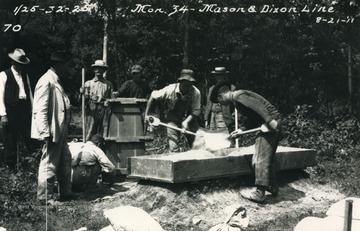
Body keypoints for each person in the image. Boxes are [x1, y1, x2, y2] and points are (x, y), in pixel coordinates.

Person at [210, 82, 281, 203]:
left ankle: (260, 193)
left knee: (259, 159)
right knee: (269, 159)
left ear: (221, 96)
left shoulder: (238, 96)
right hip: (272, 122)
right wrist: (241, 130)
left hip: (270, 124)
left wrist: (269, 121)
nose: (221, 105)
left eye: (219, 102)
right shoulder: (238, 100)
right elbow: (254, 118)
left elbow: (259, 107)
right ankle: (273, 187)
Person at [31, 51, 74, 203]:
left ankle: (65, 192)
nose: (68, 68)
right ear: (57, 65)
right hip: (52, 130)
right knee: (49, 163)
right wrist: (44, 132)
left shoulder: (56, 81)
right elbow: (40, 108)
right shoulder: (46, 81)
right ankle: (44, 197)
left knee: (65, 159)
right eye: (66, 65)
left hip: (60, 130)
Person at [145, 69, 201, 152]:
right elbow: (153, 95)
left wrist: (186, 122)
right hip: (173, 117)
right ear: (180, 82)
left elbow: (196, 110)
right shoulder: (170, 89)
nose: (187, 88)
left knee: (196, 145)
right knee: (173, 146)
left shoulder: (196, 92)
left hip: (190, 118)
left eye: (189, 86)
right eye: (184, 85)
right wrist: (146, 114)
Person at [0, 48, 35, 170]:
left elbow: (29, 92)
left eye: (22, 64)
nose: (20, 66)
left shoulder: (25, 75)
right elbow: (1, 95)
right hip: (11, 110)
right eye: (18, 64)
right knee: (11, 140)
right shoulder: (4, 75)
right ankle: (11, 168)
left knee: (29, 137)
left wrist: (33, 110)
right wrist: (3, 115)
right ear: (13, 62)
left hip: (24, 109)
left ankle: (33, 164)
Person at [80, 60, 113, 141]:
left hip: (104, 109)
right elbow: (82, 100)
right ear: (94, 70)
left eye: (101, 68)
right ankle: (87, 148)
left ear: (104, 70)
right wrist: (82, 93)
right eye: (97, 68)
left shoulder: (108, 84)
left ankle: (102, 149)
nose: (98, 70)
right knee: (89, 131)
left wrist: (108, 101)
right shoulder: (88, 83)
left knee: (103, 131)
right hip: (92, 109)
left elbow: (112, 99)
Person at [204, 67, 236, 132]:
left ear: (225, 76)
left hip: (223, 115)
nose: (218, 77)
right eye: (216, 75)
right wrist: (206, 119)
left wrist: (233, 117)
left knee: (222, 134)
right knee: (212, 135)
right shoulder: (212, 89)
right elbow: (208, 104)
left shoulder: (231, 88)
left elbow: (234, 105)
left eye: (220, 75)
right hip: (212, 115)